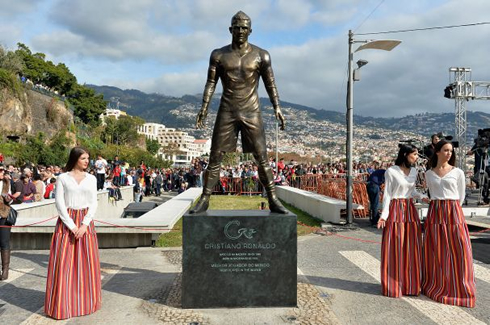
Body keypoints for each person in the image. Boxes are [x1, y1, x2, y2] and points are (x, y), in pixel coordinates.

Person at [190, 11, 287, 214]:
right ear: (230, 29)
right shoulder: (218, 54)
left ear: (250, 30)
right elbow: (210, 83)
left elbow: (271, 83)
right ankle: (205, 198)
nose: (240, 31)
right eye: (237, 27)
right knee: (215, 157)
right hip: (227, 110)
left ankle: (273, 199)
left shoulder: (262, 55)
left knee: (262, 158)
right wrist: (204, 107)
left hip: (252, 111)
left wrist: (277, 106)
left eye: (244, 27)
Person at [44, 147, 101, 319]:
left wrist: (84, 224)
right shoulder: (62, 178)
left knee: (87, 263)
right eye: (83, 158)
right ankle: (63, 304)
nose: (87, 161)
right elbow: (59, 203)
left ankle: (86, 303)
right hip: (66, 223)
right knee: (64, 264)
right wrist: (72, 226)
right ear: (75, 158)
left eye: (88, 158)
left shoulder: (91, 179)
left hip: (85, 222)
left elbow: (94, 202)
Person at [422, 140, 476, 307]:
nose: (449, 153)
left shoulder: (458, 172)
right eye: (445, 150)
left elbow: (461, 196)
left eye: (451, 151)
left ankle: (460, 287)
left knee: (459, 248)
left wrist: (452, 209)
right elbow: (430, 193)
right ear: (437, 152)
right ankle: (437, 283)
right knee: (436, 249)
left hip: (453, 210)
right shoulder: (429, 174)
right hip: (435, 211)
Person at [377, 144, 425, 298]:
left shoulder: (414, 171)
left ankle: (410, 284)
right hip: (396, 209)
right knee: (395, 247)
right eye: (415, 154)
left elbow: (411, 192)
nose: (416, 157)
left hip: (410, 210)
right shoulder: (391, 171)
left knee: (411, 247)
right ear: (405, 154)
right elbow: (388, 194)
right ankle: (393, 285)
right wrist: (384, 215)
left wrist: (421, 196)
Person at [0, 166, 13, 280]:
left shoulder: (6, 182)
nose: (2, 172)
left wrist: (9, 199)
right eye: (0, 171)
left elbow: (12, 198)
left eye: (3, 170)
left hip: (4, 215)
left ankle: (5, 270)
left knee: (4, 242)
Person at [366, 162, 385, 226]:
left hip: (369, 185)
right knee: (375, 204)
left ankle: (373, 219)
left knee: (372, 203)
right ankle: (375, 221)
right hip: (374, 185)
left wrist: (380, 189)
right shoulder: (385, 172)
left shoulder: (379, 171)